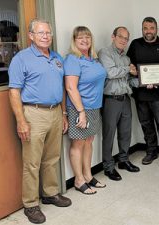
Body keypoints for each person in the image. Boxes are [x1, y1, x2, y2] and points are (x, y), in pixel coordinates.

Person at [8, 18, 71, 224]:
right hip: (33, 113)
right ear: (31, 36)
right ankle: (31, 204)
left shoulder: (56, 57)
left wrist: (63, 114)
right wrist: (21, 121)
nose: (46, 36)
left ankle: (50, 193)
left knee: (52, 158)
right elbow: (14, 92)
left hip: (55, 112)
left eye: (48, 33)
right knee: (32, 162)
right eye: (41, 33)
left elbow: (61, 87)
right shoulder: (21, 59)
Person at [127, 17, 159, 171]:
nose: (148, 31)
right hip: (140, 94)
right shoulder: (135, 44)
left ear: (156, 29)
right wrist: (134, 72)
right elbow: (130, 66)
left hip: (158, 95)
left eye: (151, 28)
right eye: (145, 28)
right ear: (142, 29)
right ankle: (151, 151)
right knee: (146, 124)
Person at [64, 26, 107, 194]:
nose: (85, 40)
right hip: (79, 108)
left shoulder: (93, 59)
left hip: (94, 107)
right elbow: (70, 87)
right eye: (80, 38)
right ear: (74, 41)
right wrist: (81, 112)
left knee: (89, 141)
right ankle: (78, 179)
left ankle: (88, 176)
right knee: (78, 143)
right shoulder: (73, 59)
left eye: (87, 37)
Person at [98, 26, 140, 181]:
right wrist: (128, 69)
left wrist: (143, 82)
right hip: (111, 100)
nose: (123, 40)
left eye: (126, 38)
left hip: (125, 99)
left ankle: (123, 160)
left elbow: (128, 80)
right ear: (113, 36)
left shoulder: (126, 58)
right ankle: (108, 167)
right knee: (109, 135)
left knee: (125, 133)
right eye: (121, 37)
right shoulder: (105, 53)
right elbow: (111, 73)